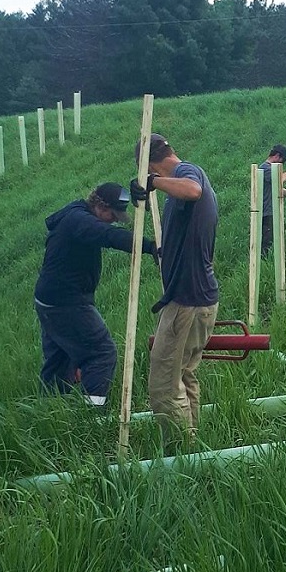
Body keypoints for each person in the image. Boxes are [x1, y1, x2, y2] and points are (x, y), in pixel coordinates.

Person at [33, 182, 158, 407]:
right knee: (101, 352)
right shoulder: (79, 221)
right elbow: (108, 235)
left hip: (50, 299)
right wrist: (150, 247)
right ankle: (91, 414)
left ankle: (50, 412)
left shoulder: (78, 215)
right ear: (100, 206)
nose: (114, 219)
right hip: (65, 302)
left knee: (59, 360)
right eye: (113, 214)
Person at [130, 133, 219, 440]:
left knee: (165, 382)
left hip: (186, 300)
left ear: (152, 165)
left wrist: (153, 183)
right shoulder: (178, 185)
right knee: (184, 374)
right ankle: (193, 442)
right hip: (198, 297)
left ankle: (180, 450)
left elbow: (192, 190)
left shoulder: (186, 172)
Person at [259, 144, 286, 257]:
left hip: (270, 212)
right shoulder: (265, 168)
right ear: (277, 156)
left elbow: (279, 190)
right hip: (265, 213)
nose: (282, 165)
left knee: (270, 242)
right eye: (282, 161)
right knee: (266, 244)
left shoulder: (269, 170)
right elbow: (279, 180)